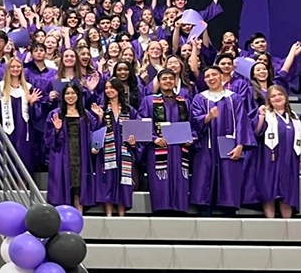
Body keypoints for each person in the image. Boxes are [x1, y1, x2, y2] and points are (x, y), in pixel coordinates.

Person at [190, 66, 250, 216]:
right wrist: (208, 117)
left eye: (214, 74)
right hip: (205, 146)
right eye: (207, 76)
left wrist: (240, 146)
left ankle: (230, 215)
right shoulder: (200, 98)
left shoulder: (233, 98)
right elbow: (193, 122)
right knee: (204, 180)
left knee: (229, 181)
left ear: (221, 76)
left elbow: (242, 122)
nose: (211, 78)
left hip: (229, 147)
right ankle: (205, 214)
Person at [140, 69, 194, 214]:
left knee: (179, 180)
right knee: (160, 181)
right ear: (159, 82)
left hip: (179, 149)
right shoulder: (149, 101)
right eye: (164, 79)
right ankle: (161, 210)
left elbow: (192, 124)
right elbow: (142, 123)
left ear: (176, 81)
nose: (168, 81)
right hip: (158, 148)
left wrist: (191, 138)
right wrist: (154, 138)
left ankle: (179, 210)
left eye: (171, 78)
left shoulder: (185, 102)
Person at [91, 78, 139, 217]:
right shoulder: (101, 110)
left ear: (119, 90)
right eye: (106, 88)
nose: (109, 90)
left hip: (124, 151)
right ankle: (109, 214)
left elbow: (137, 130)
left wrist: (134, 142)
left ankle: (122, 215)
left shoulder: (130, 111)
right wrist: (100, 118)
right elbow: (95, 132)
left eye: (112, 87)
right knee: (108, 180)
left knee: (123, 180)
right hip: (106, 152)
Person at [45, 84, 95, 212]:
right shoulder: (56, 114)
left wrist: (100, 118)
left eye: (73, 93)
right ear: (63, 96)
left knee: (79, 186)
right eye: (67, 93)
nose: (70, 96)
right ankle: (63, 218)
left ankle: (79, 216)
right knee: (63, 185)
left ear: (78, 96)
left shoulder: (86, 115)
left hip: (80, 154)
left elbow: (94, 134)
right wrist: (56, 130)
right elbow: (48, 139)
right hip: (62, 155)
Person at [253, 85, 300, 219]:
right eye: (273, 96)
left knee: (287, 192)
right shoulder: (267, 115)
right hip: (269, 159)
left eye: (280, 94)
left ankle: (287, 225)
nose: (277, 98)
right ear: (268, 100)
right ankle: (271, 223)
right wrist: (261, 116)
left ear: (285, 97)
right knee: (269, 190)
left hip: (290, 160)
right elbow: (256, 132)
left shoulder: (295, 118)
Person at [0, 58, 41, 172]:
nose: (15, 69)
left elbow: (34, 116)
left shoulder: (27, 87)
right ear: (8, 69)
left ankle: (22, 187)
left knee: (24, 159)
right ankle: (5, 187)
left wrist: (32, 104)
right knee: (6, 158)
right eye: (12, 67)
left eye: (18, 67)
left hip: (23, 130)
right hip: (6, 128)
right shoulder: (0, 86)